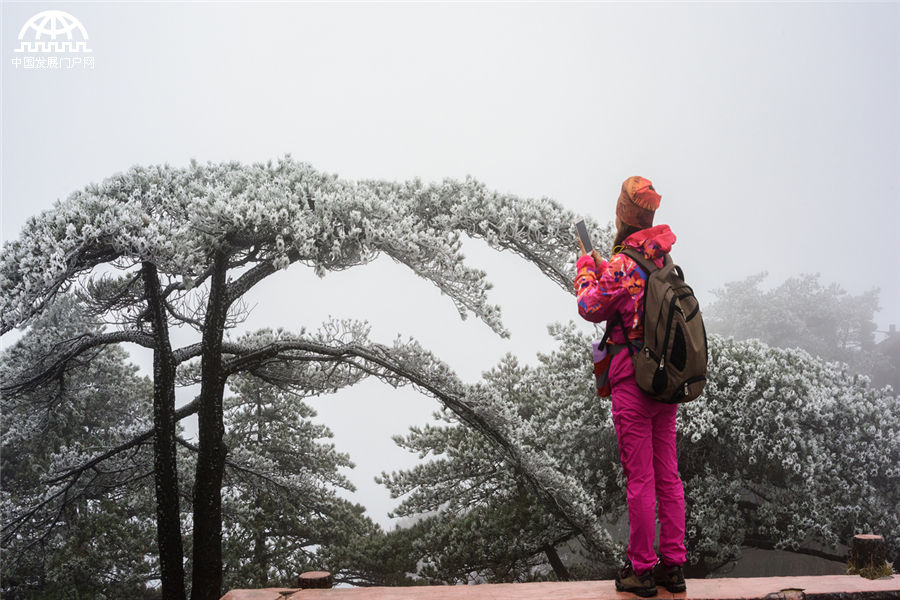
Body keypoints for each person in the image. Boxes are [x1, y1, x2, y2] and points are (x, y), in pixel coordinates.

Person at [573, 176, 687, 597]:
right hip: (665, 382)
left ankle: (641, 570)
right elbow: (631, 297)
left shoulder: (622, 266)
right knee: (668, 476)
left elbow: (590, 307)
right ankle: (672, 566)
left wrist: (587, 269)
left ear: (623, 214)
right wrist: (608, 269)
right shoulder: (661, 261)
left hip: (630, 382)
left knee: (639, 479)